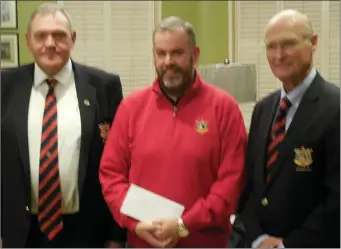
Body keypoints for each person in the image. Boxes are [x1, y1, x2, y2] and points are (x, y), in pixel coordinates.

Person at [99, 16, 247, 248]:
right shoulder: (131, 108)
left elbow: (231, 184)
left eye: (177, 53)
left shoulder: (224, 109)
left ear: (194, 55)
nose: (168, 61)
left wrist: (182, 225)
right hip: (142, 242)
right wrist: (134, 224)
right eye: (161, 53)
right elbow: (111, 174)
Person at [1, 3, 126, 248]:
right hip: (19, 233)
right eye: (41, 35)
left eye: (59, 35)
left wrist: (116, 236)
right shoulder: (4, 86)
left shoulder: (104, 87)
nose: (50, 43)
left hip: (87, 232)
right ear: (28, 41)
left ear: (73, 38)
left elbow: (120, 164)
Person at [239, 9, 340, 248]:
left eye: (289, 44)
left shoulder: (335, 108)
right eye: (271, 46)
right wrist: (258, 238)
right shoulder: (263, 109)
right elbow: (251, 187)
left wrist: (287, 245)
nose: (279, 55)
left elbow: (337, 199)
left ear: (314, 43)